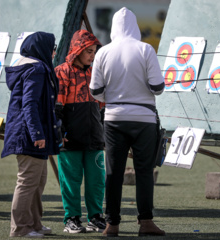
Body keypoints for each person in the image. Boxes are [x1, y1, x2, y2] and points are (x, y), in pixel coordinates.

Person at [90, 7, 166, 237]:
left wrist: (112, 99)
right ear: (134, 26)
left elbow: (95, 90)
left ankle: (112, 225)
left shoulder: (103, 52)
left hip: (113, 120)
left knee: (113, 173)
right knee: (144, 172)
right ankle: (146, 223)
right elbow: (158, 88)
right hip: (144, 120)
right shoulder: (145, 49)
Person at [1, 31, 61, 238]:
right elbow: (29, 104)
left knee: (38, 181)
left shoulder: (31, 66)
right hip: (29, 135)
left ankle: (34, 223)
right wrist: (37, 133)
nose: (54, 52)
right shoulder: (36, 68)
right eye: (52, 48)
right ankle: (20, 228)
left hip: (28, 133)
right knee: (28, 182)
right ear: (43, 49)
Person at [54, 29, 106, 234]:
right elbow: (58, 107)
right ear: (77, 50)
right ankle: (71, 219)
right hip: (70, 139)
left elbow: (101, 106)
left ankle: (95, 217)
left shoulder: (95, 73)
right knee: (70, 183)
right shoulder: (62, 72)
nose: (93, 56)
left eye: (94, 52)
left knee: (96, 181)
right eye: (89, 51)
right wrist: (60, 133)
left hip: (94, 138)